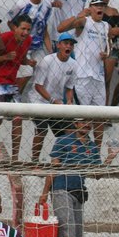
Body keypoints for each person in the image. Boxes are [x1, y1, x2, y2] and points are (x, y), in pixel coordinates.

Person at [41, 120, 119, 237]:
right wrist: (45, 192)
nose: (86, 125)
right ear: (76, 124)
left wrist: (110, 157)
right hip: (61, 187)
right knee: (68, 228)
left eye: (89, 123)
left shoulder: (92, 147)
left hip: (78, 191)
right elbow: (53, 168)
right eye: (83, 122)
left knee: (71, 231)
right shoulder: (63, 141)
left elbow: (97, 174)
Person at [58, 0, 110, 144]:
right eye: (96, 5)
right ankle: (78, 151)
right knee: (82, 118)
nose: (100, 7)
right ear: (89, 7)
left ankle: (96, 154)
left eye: (102, 4)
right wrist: (78, 15)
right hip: (83, 76)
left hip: (98, 78)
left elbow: (108, 46)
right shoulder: (84, 22)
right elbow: (60, 28)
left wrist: (107, 54)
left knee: (100, 117)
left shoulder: (106, 26)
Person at [0, 14, 33, 162]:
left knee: (18, 119)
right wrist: (5, 58)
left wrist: (28, 62)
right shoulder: (5, 37)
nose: (25, 32)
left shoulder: (28, 41)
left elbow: (21, 57)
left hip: (12, 83)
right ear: (15, 28)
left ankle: (15, 158)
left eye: (28, 30)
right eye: (23, 29)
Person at [28, 32, 78, 163]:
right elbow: (38, 86)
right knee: (42, 129)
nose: (69, 46)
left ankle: (64, 161)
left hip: (57, 103)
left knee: (69, 131)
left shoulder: (73, 64)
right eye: (66, 43)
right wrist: (52, 101)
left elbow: (69, 88)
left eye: (71, 44)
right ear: (59, 45)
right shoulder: (47, 61)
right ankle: (34, 161)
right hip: (38, 100)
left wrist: (70, 102)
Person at [6, 0, 55, 98]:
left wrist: (50, 49)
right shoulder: (21, 4)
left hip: (38, 47)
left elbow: (44, 26)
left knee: (43, 72)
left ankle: (33, 100)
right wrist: (19, 37)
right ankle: (13, 98)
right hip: (23, 46)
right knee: (25, 74)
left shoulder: (47, 5)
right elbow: (10, 22)